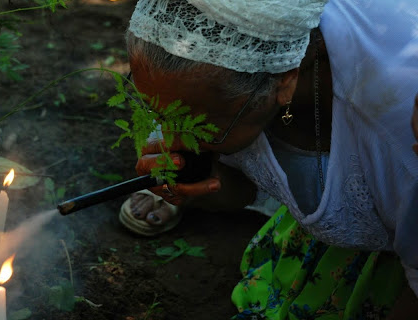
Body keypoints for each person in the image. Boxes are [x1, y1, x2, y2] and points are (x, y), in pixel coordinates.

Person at [118, 0, 418, 318]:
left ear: (285, 81)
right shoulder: (216, 74)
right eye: (158, 113)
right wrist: (205, 185)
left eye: (196, 126)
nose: (171, 138)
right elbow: (242, 185)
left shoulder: (399, 136)